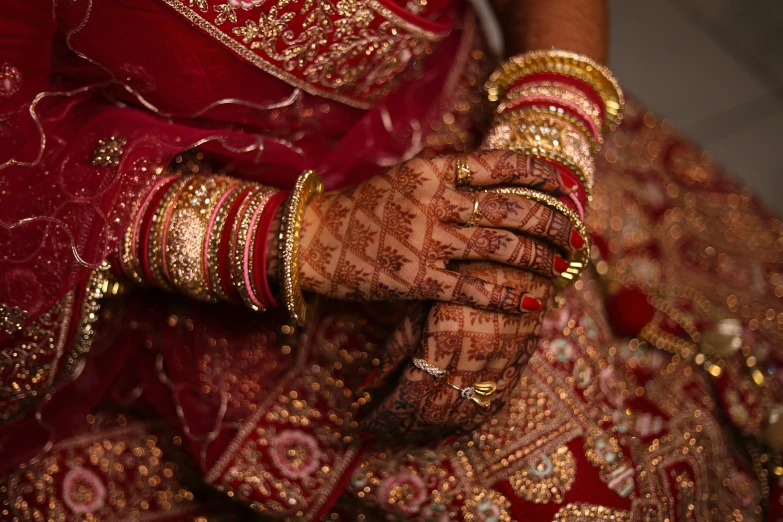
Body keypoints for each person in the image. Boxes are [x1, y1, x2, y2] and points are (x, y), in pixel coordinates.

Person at [0, 0, 780, 520]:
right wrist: (303, 240)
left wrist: (547, 142)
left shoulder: (525, 150)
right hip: (153, 235)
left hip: (475, 121)